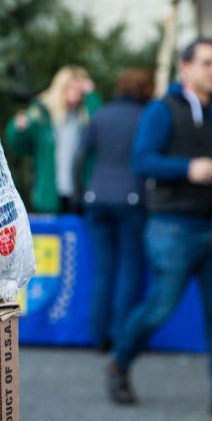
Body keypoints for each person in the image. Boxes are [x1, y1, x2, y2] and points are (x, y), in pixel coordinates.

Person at [107, 37, 212, 417]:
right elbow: (141, 161)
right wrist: (188, 168)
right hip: (172, 227)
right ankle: (119, 362)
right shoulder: (162, 110)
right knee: (159, 309)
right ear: (185, 68)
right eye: (207, 63)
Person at [72, 69, 153, 352]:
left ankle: (99, 335)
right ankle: (123, 336)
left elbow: (79, 158)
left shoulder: (101, 114)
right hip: (131, 198)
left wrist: (79, 195)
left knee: (103, 269)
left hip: (97, 197)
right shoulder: (147, 117)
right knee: (129, 268)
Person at [6, 66, 102, 213]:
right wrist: (18, 128)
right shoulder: (43, 114)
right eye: (69, 90)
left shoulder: (86, 117)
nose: (74, 96)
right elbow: (18, 145)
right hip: (50, 195)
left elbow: (101, 123)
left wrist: (92, 94)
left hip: (80, 193)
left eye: (79, 92)